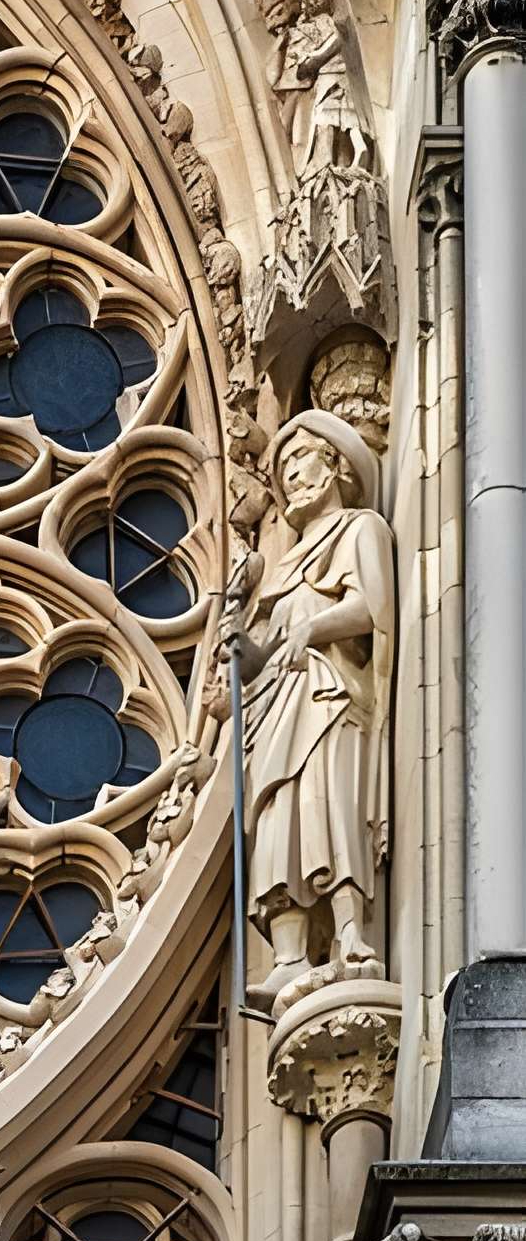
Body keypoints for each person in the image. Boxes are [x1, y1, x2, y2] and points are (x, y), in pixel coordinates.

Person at [240, 407, 392, 1010]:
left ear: (334, 466)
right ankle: (289, 958)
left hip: (328, 696)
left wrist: (315, 627)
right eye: (281, 469)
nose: (288, 476)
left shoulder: (359, 529)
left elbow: (372, 610)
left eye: (299, 458)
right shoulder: (278, 567)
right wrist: (241, 646)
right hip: (279, 707)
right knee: (279, 819)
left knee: (327, 810)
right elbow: (259, 657)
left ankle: (352, 936)